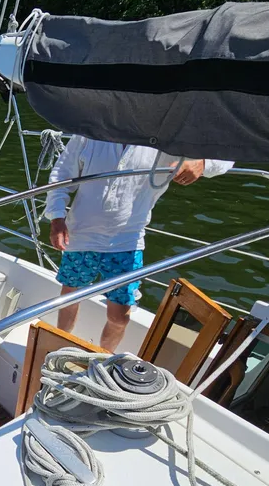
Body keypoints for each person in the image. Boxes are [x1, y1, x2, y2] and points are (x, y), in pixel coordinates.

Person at [45, 137, 233, 351]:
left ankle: (101, 358)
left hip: (127, 240)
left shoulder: (166, 138)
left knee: (119, 318)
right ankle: (59, 349)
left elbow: (227, 154)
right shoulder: (91, 131)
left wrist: (203, 163)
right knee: (70, 298)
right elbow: (61, 174)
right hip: (80, 235)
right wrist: (57, 217)